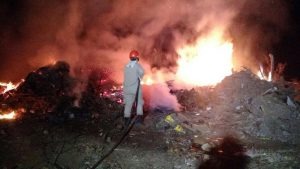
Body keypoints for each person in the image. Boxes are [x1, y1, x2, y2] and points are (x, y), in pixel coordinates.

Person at [123, 50, 144, 127]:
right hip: (135, 88)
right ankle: (138, 121)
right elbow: (142, 73)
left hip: (126, 88)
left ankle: (126, 121)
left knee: (128, 104)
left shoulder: (126, 66)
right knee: (139, 103)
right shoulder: (137, 65)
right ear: (137, 58)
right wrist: (139, 77)